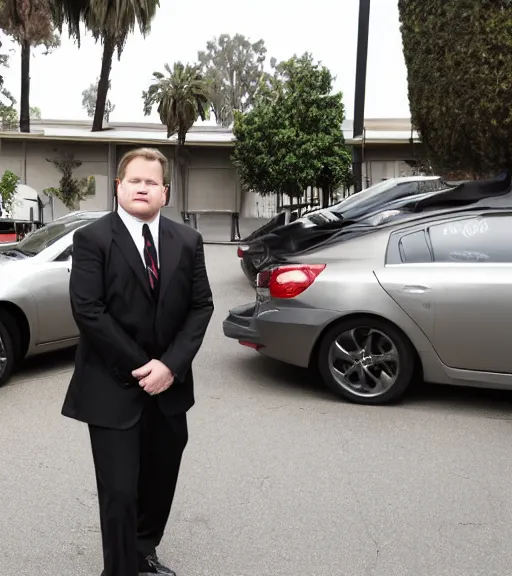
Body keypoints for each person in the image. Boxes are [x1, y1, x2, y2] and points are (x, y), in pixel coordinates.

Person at [61, 147, 214, 576]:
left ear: (165, 192)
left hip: (169, 389)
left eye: (152, 182)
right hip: (112, 388)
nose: (142, 187)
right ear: (118, 188)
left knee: (158, 483)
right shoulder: (92, 239)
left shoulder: (188, 241)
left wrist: (170, 367)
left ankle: (143, 551)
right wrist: (145, 366)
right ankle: (120, 569)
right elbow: (89, 310)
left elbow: (201, 307)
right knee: (120, 492)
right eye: (134, 180)